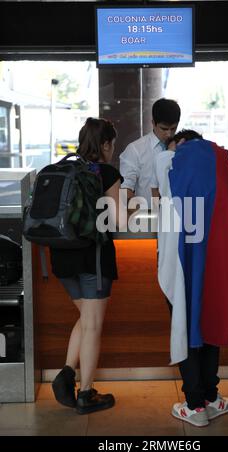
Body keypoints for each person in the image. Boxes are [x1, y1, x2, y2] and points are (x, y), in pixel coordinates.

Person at [152, 129, 228, 427]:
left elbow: (159, 196)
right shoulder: (218, 158)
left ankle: (194, 405)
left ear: (181, 144)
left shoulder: (169, 161)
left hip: (180, 260)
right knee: (210, 320)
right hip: (215, 257)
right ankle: (211, 397)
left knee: (184, 321)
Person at [50, 117, 124, 415]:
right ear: (105, 144)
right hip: (93, 257)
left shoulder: (63, 167)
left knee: (86, 319)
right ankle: (86, 393)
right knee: (93, 324)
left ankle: (67, 374)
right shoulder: (106, 172)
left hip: (62, 258)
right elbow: (117, 221)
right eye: (112, 144)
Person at [119, 98, 181, 206]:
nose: (169, 134)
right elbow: (125, 190)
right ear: (153, 123)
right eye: (164, 129)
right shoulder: (135, 150)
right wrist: (141, 216)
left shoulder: (182, 147)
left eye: (173, 128)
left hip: (178, 216)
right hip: (147, 216)